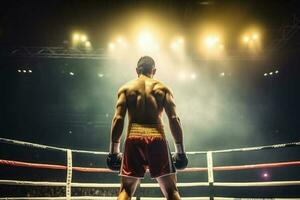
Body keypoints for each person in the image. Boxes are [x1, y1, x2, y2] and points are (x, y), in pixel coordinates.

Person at [106, 56, 188, 200]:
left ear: (137, 70)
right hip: (157, 137)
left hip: (133, 137)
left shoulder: (126, 88)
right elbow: (174, 119)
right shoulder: (163, 88)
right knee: (171, 190)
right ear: (154, 71)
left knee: (126, 190)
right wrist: (180, 152)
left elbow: (118, 118)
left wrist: (114, 152)